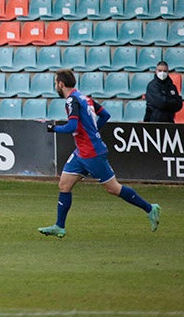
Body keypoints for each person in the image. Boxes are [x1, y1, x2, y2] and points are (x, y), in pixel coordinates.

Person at [39, 69, 160, 239]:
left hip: (91, 152)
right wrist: (92, 131)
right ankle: (59, 226)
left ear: (61, 84)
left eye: (55, 83)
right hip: (82, 151)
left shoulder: (71, 101)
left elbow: (72, 126)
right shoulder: (84, 98)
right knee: (64, 185)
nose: (55, 86)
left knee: (113, 188)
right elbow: (105, 114)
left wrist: (53, 128)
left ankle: (150, 208)